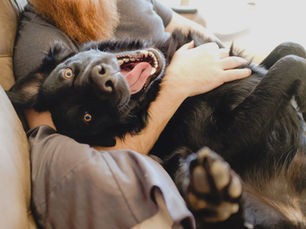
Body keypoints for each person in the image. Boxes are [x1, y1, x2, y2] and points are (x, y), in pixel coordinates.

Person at [13, 0, 251, 228]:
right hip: (192, 136)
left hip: (221, 94)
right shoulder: (39, 41)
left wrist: (233, 64)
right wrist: (177, 85)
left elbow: (183, 25)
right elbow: (87, 161)